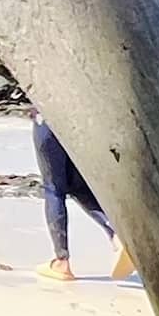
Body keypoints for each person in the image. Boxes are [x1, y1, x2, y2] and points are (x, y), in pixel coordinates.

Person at [32, 117, 138, 282]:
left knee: (53, 189)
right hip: (75, 122)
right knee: (78, 187)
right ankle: (118, 237)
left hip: (47, 120)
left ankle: (61, 262)